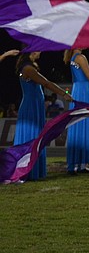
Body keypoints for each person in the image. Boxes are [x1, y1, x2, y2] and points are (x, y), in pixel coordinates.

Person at [14, 51, 72, 180]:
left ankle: (33, 169)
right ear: (32, 52)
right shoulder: (28, 68)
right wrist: (63, 93)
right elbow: (46, 83)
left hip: (35, 105)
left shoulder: (30, 67)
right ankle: (27, 171)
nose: (40, 52)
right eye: (38, 50)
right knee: (32, 136)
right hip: (31, 106)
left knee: (36, 136)